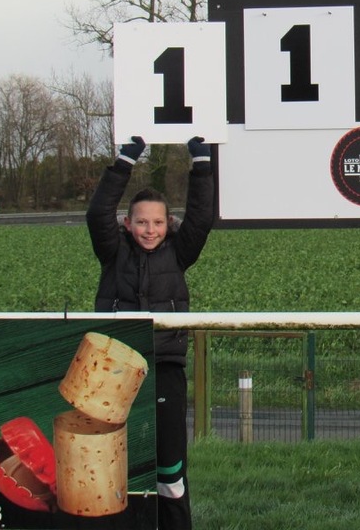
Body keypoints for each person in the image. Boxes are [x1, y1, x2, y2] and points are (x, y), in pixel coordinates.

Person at [86, 135, 214, 530]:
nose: (149, 229)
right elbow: (97, 213)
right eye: (141, 221)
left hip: (164, 368)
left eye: (158, 222)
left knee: (170, 472)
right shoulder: (113, 252)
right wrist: (124, 161)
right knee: (112, 467)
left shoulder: (180, 252)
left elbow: (201, 217)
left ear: (168, 224)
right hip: (113, 373)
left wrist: (202, 165)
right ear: (127, 224)